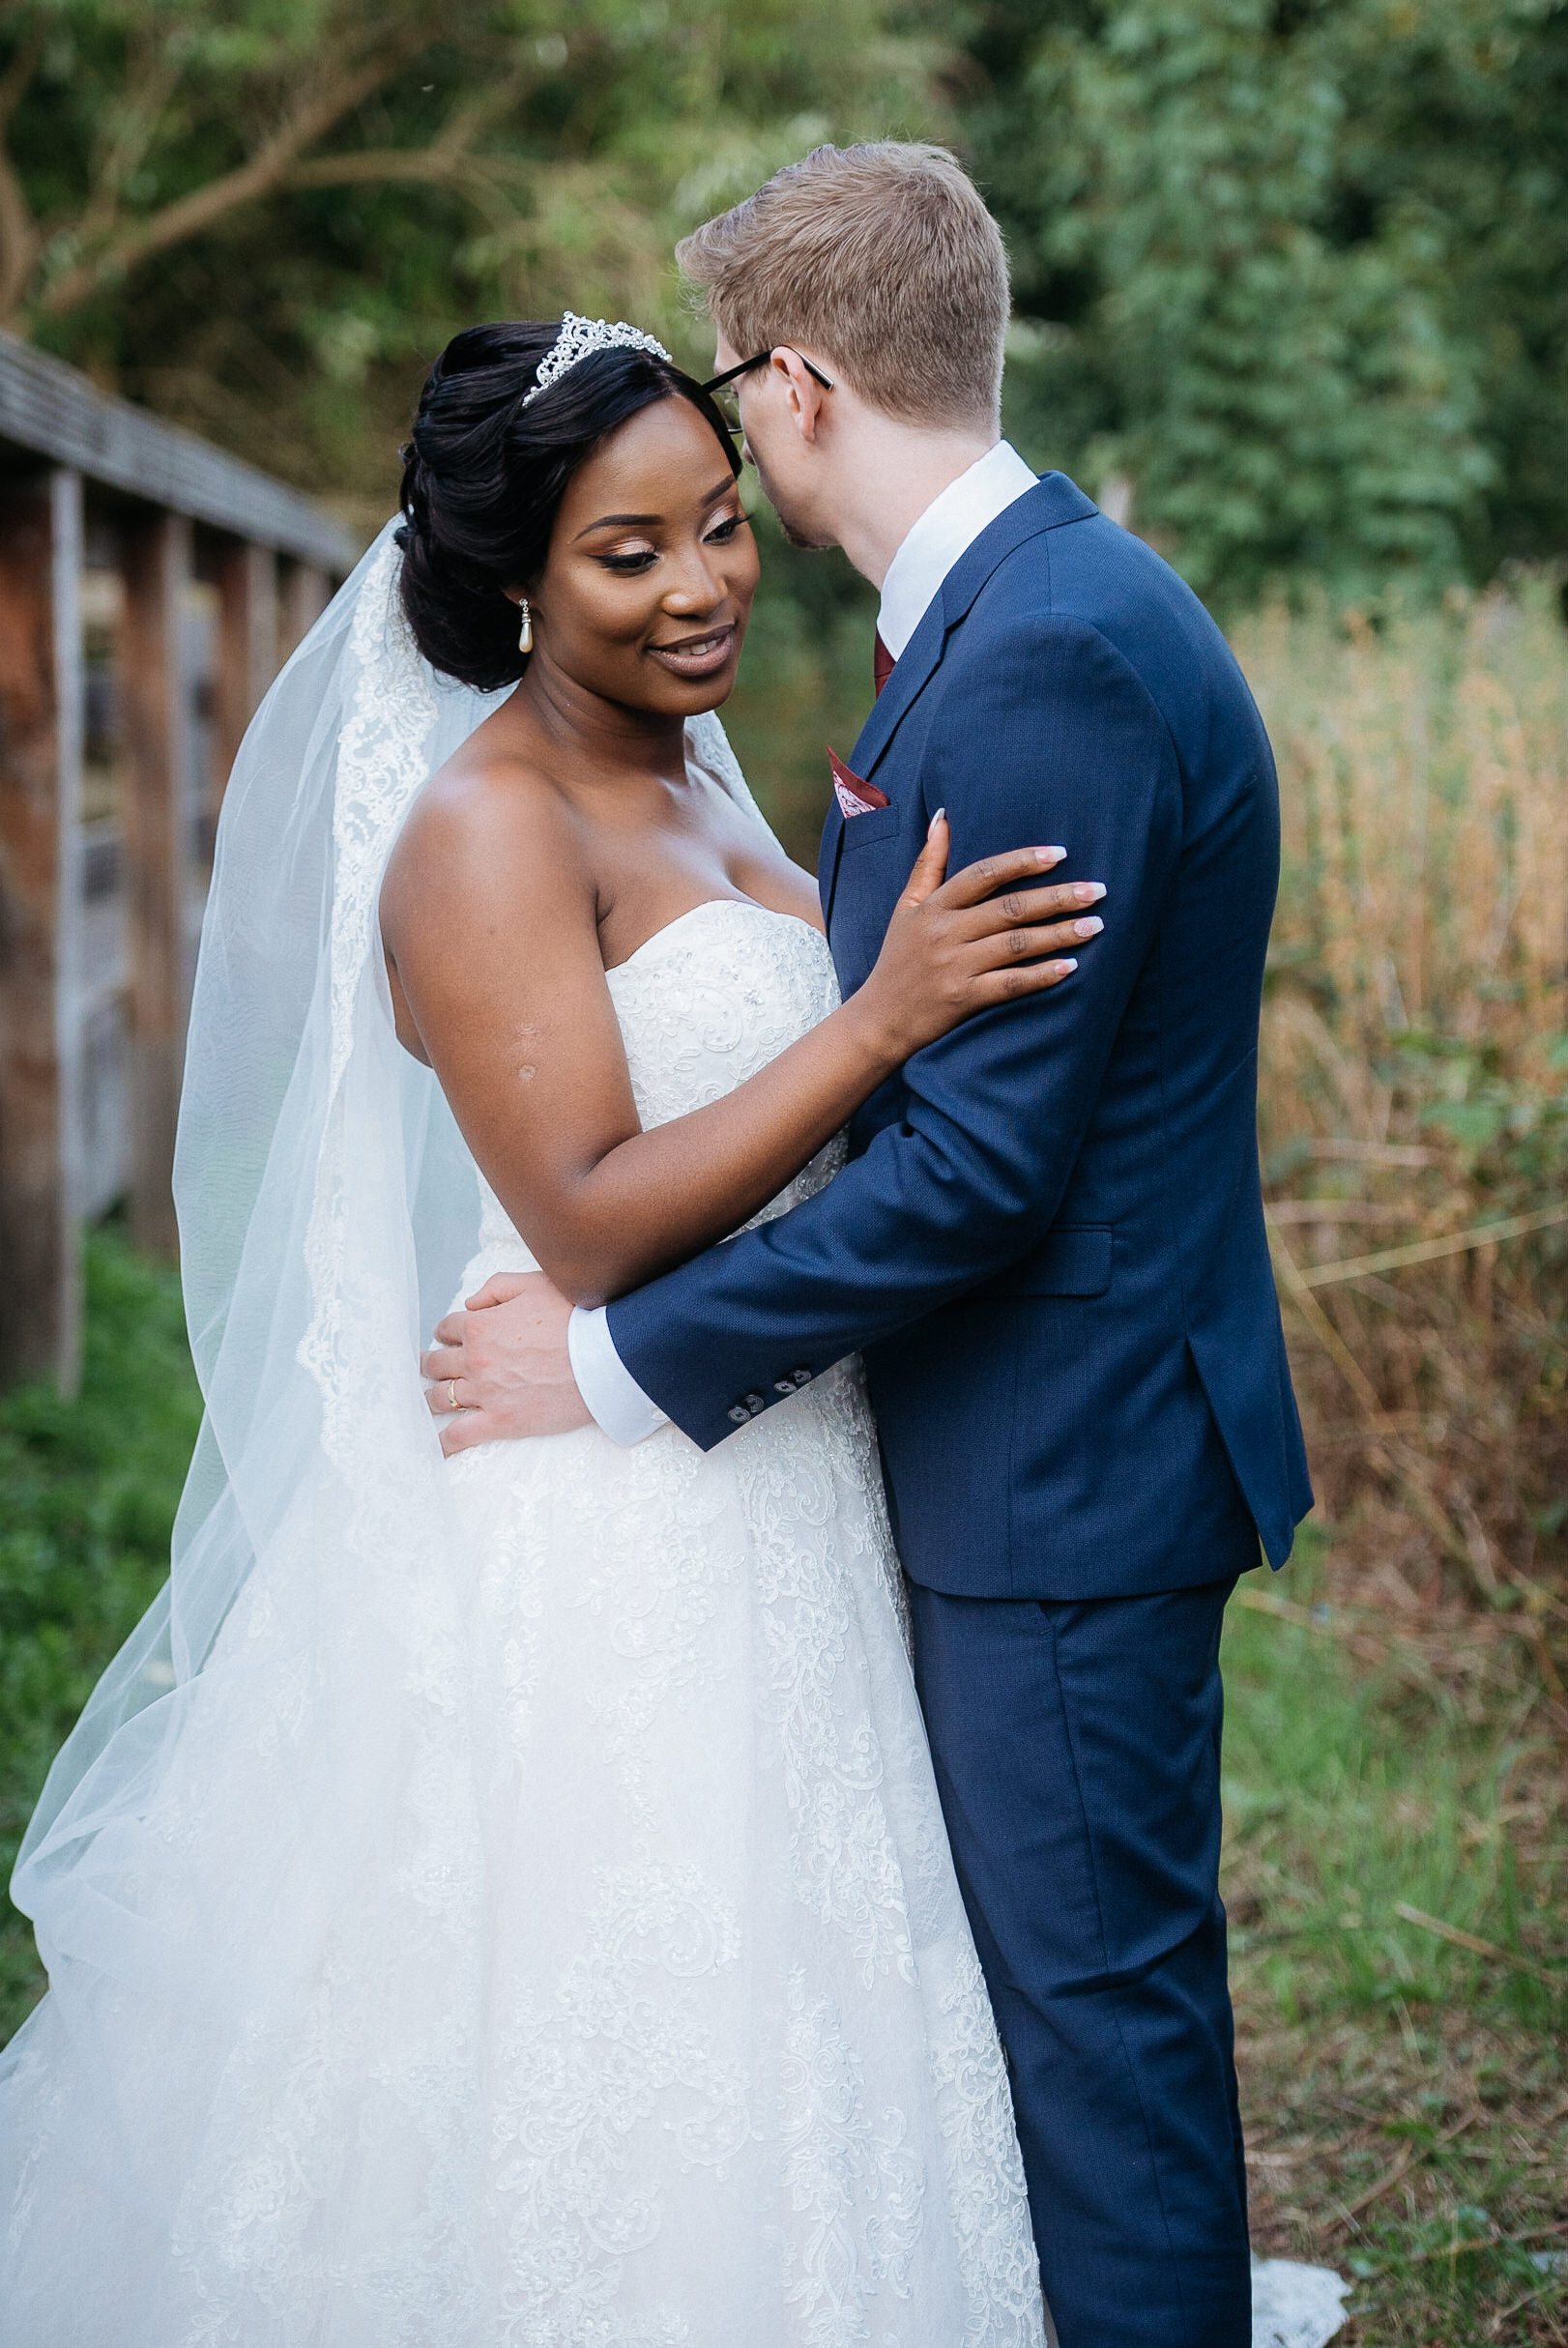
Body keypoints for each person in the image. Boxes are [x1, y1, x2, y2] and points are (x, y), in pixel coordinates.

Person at [0, 313, 1097, 2340]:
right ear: (514, 574)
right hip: (610, 1513)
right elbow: (584, 1219)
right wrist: (881, 1016)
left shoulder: (683, 765)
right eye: (629, 553)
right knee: (630, 1986)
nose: (701, 586)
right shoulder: (489, 829)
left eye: (719, 523)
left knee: (809, 1961)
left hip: (768, 1464)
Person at [422, 144, 1323, 2348]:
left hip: (1059, 1459)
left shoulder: (1040, 664)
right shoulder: (1029, 621)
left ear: (799, 385)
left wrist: (621, 1364)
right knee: (1051, 2009)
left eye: (736, 435)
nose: (729, 513)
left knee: (1093, 2028)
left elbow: (977, 1171)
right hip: (1011, 1449)